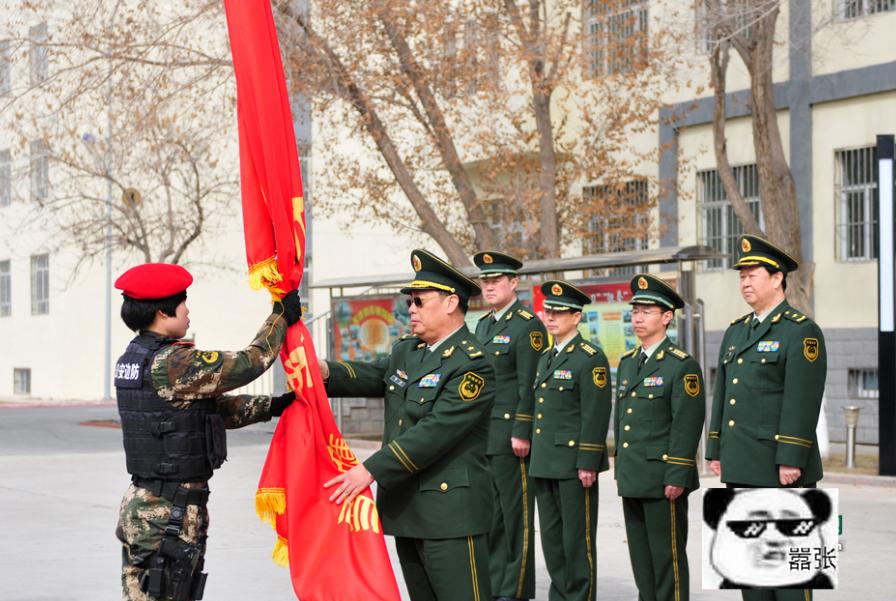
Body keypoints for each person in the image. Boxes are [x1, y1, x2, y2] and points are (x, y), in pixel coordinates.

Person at [113, 263, 301, 601]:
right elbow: (248, 363)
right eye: (183, 302)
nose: (188, 310)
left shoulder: (136, 357)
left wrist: (271, 406)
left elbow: (206, 412)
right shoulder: (172, 363)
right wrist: (279, 318)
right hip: (167, 511)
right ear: (161, 311)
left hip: (149, 506)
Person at [319, 249, 495, 601]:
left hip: (450, 516)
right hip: (408, 509)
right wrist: (322, 371)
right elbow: (373, 376)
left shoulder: (472, 364)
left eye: (418, 300)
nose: (410, 309)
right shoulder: (408, 351)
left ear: (449, 303)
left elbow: (433, 433)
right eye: (409, 301)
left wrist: (369, 470)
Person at [705, 234, 828, 601]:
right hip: (743, 464)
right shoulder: (736, 331)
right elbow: (723, 395)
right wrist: (715, 449)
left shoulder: (800, 331)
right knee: (751, 572)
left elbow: (802, 400)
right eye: (741, 275)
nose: (744, 281)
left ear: (777, 278)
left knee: (789, 573)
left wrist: (791, 458)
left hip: (780, 468)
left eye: (752, 274)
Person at [613, 273, 705, 601]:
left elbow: (687, 423)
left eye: (647, 311)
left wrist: (678, 473)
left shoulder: (681, 366)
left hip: (664, 477)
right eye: (635, 311)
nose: (637, 317)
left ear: (667, 317)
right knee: (642, 561)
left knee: (667, 559)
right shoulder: (628, 364)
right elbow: (623, 421)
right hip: (635, 475)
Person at [529, 280, 611, 601]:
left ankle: (578, 596)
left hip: (574, 464)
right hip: (545, 461)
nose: (551, 318)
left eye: (559, 313)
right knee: (551, 541)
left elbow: (595, 413)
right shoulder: (546, 357)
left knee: (576, 541)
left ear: (576, 317)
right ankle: (559, 595)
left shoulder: (590, 358)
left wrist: (588, 461)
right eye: (548, 311)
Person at [472, 251, 545, 601]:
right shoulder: (484, 325)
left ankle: (514, 590)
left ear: (514, 282)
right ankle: (494, 583)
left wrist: (522, 429)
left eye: (496, 280)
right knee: (490, 515)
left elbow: (530, 383)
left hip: (510, 436)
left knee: (515, 518)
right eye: (485, 280)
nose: (489, 286)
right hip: (483, 434)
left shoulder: (527, 326)